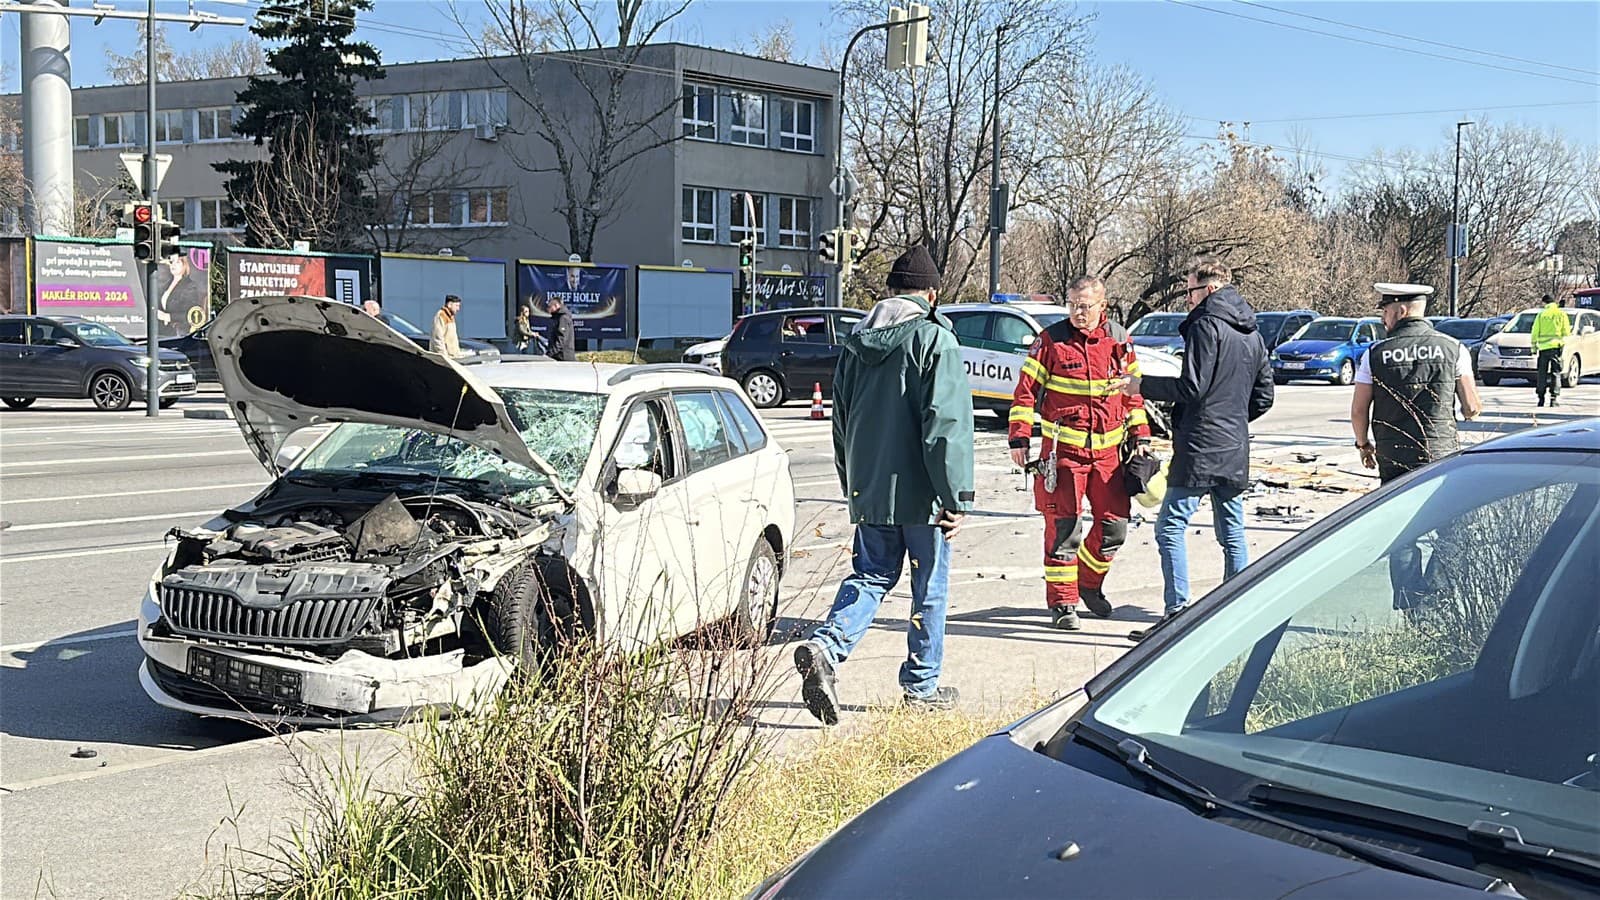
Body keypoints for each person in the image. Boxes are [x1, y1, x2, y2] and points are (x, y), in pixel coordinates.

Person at [793, 245, 975, 725]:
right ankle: (921, 687)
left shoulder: (856, 343)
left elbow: (841, 422)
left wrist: (853, 483)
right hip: (924, 495)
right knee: (929, 586)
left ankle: (825, 649)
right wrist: (956, 497)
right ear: (932, 295)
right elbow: (946, 426)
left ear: (891, 292)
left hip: (869, 487)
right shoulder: (935, 341)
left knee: (871, 575)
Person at [1118, 258, 1274, 641]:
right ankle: (1237, 608)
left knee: (1170, 526)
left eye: (1189, 291)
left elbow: (1192, 387)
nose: (1186, 299)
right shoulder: (1251, 331)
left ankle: (1177, 613)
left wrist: (1140, 385)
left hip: (1202, 445)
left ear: (1209, 289)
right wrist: (1233, 420)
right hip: (1233, 445)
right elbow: (1265, 396)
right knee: (1232, 529)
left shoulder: (1206, 325)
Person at [1007, 275, 1151, 631]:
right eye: (1072, 305)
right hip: (1063, 455)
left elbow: (1132, 394)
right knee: (1063, 531)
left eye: (1084, 306)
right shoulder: (1050, 341)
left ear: (1103, 305)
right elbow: (1025, 393)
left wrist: (1142, 436)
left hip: (1109, 458)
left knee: (1115, 528)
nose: (1077, 313)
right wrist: (1019, 439)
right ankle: (1063, 603)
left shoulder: (1119, 340)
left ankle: (1088, 583)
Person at [1351, 282, 1482, 610]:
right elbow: (1472, 407)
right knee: (1455, 527)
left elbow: (1358, 410)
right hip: (1442, 455)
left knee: (1403, 530)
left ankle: (1410, 602)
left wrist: (1363, 444)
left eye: (1385, 311)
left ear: (1401, 310)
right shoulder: (1454, 348)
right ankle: (1437, 595)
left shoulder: (1375, 353)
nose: (1383, 318)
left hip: (1394, 457)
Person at [1531, 293, 1571, 407]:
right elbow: (1566, 332)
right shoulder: (1561, 314)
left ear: (1545, 303)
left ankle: (1541, 398)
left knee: (1541, 373)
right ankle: (1554, 398)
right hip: (1556, 348)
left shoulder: (1541, 315)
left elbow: (1535, 332)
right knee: (1555, 373)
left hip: (1543, 348)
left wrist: (1533, 347)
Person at [431, 294, 465, 359]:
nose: (458, 309)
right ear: (449, 305)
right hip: (444, 360)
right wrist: (444, 357)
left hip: (452, 357)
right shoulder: (441, 316)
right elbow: (438, 339)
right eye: (456, 306)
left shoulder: (451, 317)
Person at [544, 295, 576, 361]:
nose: (548, 309)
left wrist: (549, 354)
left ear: (556, 305)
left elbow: (561, 340)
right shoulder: (558, 317)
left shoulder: (563, 318)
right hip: (559, 356)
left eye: (550, 306)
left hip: (563, 357)